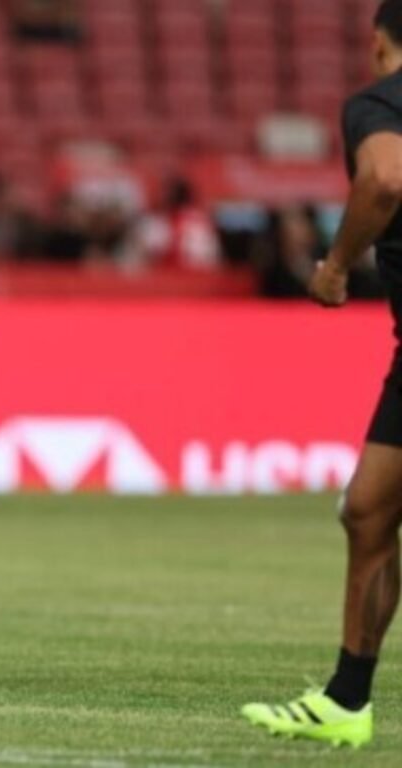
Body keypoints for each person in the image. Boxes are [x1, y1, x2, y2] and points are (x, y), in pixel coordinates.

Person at [241, 0, 402, 747]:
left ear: (378, 42)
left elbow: (386, 179)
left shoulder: (381, 102)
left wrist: (336, 264)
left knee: (370, 510)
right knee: (369, 510)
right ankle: (347, 699)